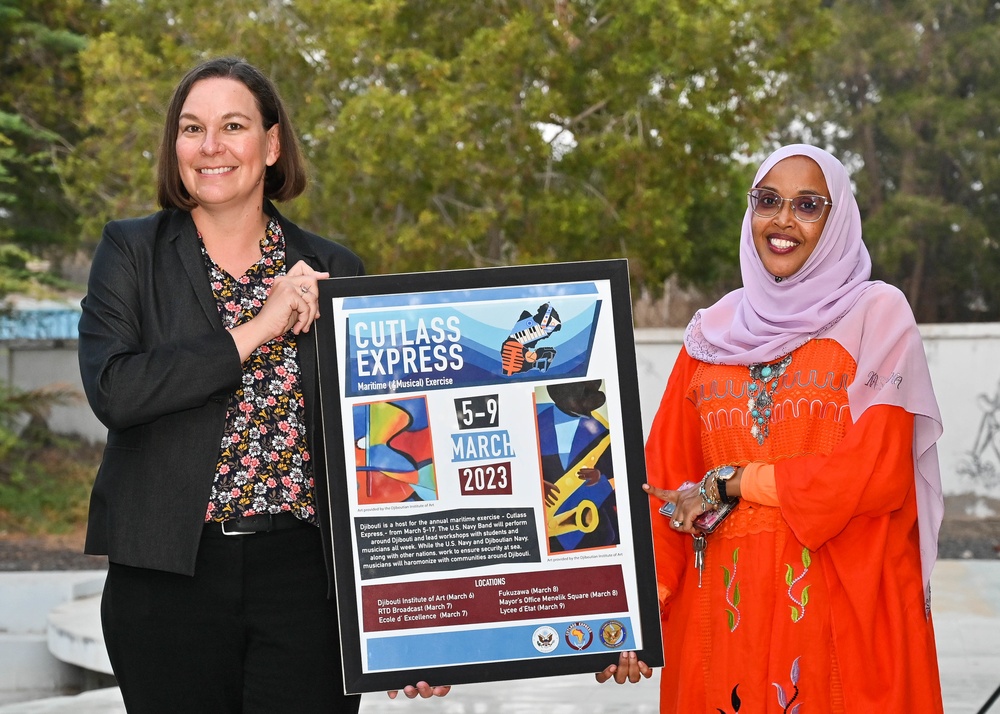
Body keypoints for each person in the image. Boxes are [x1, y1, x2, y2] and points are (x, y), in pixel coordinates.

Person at [78, 57, 449, 712]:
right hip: (166, 580)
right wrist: (259, 326)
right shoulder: (130, 252)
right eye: (192, 129)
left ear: (272, 144)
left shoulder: (335, 269)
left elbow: (386, 450)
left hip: (306, 583)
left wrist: (409, 618)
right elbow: (117, 391)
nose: (211, 146)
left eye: (233, 125)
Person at [597, 144, 945, 711]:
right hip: (721, 625)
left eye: (809, 205)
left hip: (836, 618)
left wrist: (736, 482)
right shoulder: (711, 334)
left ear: (837, 222)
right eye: (768, 201)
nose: (783, 221)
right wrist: (637, 611)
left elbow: (875, 473)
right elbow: (662, 485)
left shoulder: (878, 316)